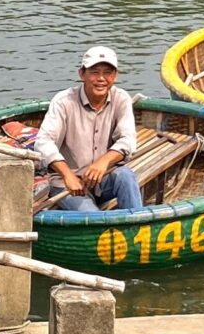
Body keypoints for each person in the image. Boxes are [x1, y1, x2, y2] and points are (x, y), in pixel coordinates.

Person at [33, 47, 145, 215]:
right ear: (82, 74)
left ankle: (137, 227)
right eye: (94, 72)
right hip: (69, 184)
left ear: (115, 76)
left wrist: (104, 162)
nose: (101, 79)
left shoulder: (121, 98)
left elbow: (127, 140)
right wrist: (67, 175)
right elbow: (43, 142)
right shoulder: (64, 101)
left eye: (107, 73)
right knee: (94, 218)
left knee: (126, 175)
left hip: (103, 177)